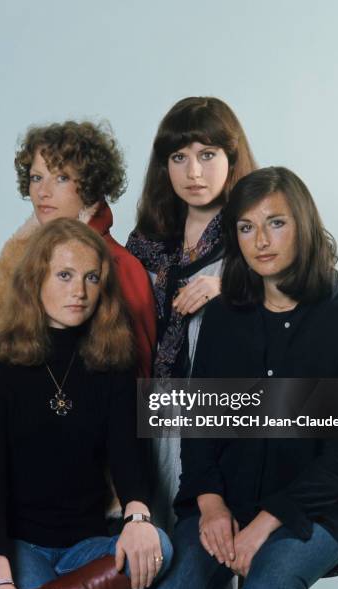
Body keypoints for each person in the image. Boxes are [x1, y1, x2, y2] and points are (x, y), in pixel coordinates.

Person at [146, 167, 338, 589]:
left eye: (276, 223)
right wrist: (211, 505)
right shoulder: (225, 316)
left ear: (303, 226)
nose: (261, 241)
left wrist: (268, 522)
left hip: (312, 511)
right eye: (247, 227)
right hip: (223, 503)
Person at [0, 219, 172, 589]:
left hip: (86, 547)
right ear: (36, 280)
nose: (80, 292)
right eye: (64, 275)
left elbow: (127, 456)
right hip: (19, 547)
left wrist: (137, 519)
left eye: (91, 277)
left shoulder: (113, 364)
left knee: (161, 547)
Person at [126, 97, 257, 537]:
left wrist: (231, 286)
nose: (193, 173)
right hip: (149, 409)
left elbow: (311, 282)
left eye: (207, 155)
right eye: (179, 158)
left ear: (231, 158)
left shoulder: (253, 231)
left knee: (205, 548)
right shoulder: (147, 239)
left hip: (217, 419)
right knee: (146, 549)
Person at [0, 120, 155, 378]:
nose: (43, 191)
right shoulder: (19, 263)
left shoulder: (119, 264)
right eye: (36, 178)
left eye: (61, 178)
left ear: (90, 185)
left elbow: (141, 379)